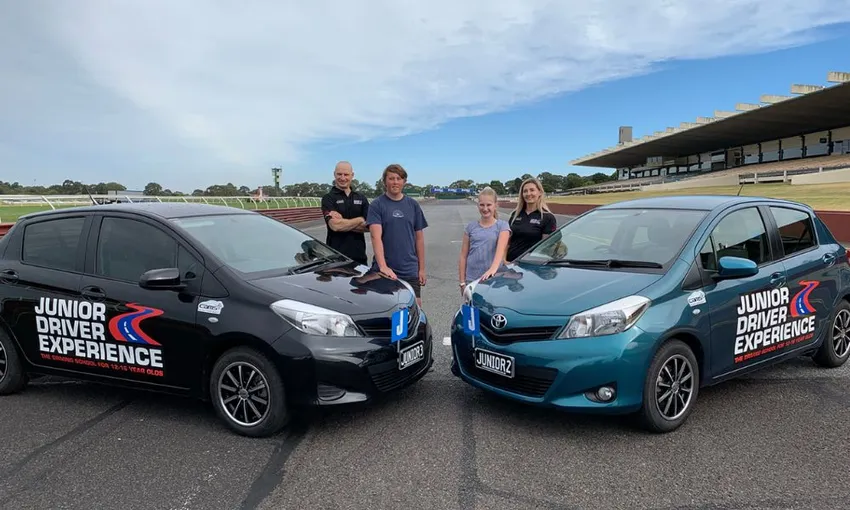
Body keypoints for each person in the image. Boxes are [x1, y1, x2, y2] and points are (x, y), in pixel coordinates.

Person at [366, 163, 428, 306]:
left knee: (415, 308)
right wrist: (383, 266)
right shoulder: (377, 205)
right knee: (386, 310)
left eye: (399, 178)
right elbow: (376, 237)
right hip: (386, 270)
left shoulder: (413, 205)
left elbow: (419, 239)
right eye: (391, 178)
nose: (395, 182)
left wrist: (422, 268)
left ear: (404, 182)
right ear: (384, 182)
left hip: (409, 269)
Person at [458, 187, 510, 294]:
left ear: (495, 205)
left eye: (489, 205)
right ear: (478, 205)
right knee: (472, 310)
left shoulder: (502, 226)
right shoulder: (470, 227)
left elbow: (500, 252)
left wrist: (492, 269)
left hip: (494, 279)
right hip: (472, 279)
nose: (485, 208)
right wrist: (462, 282)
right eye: (482, 205)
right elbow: (463, 256)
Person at [320, 161, 370, 265]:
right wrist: (360, 219)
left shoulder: (361, 198)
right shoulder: (328, 199)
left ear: (352, 175)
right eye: (339, 174)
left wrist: (343, 223)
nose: (342, 178)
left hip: (359, 258)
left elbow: (369, 226)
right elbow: (335, 226)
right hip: (335, 259)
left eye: (346, 174)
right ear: (334, 174)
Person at [505, 177, 557, 263]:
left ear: (539, 192)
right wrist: (504, 260)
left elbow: (545, 248)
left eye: (532, 190)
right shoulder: (515, 215)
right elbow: (507, 242)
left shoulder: (548, 217)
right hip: (510, 263)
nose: (528, 194)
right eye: (525, 191)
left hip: (530, 265)